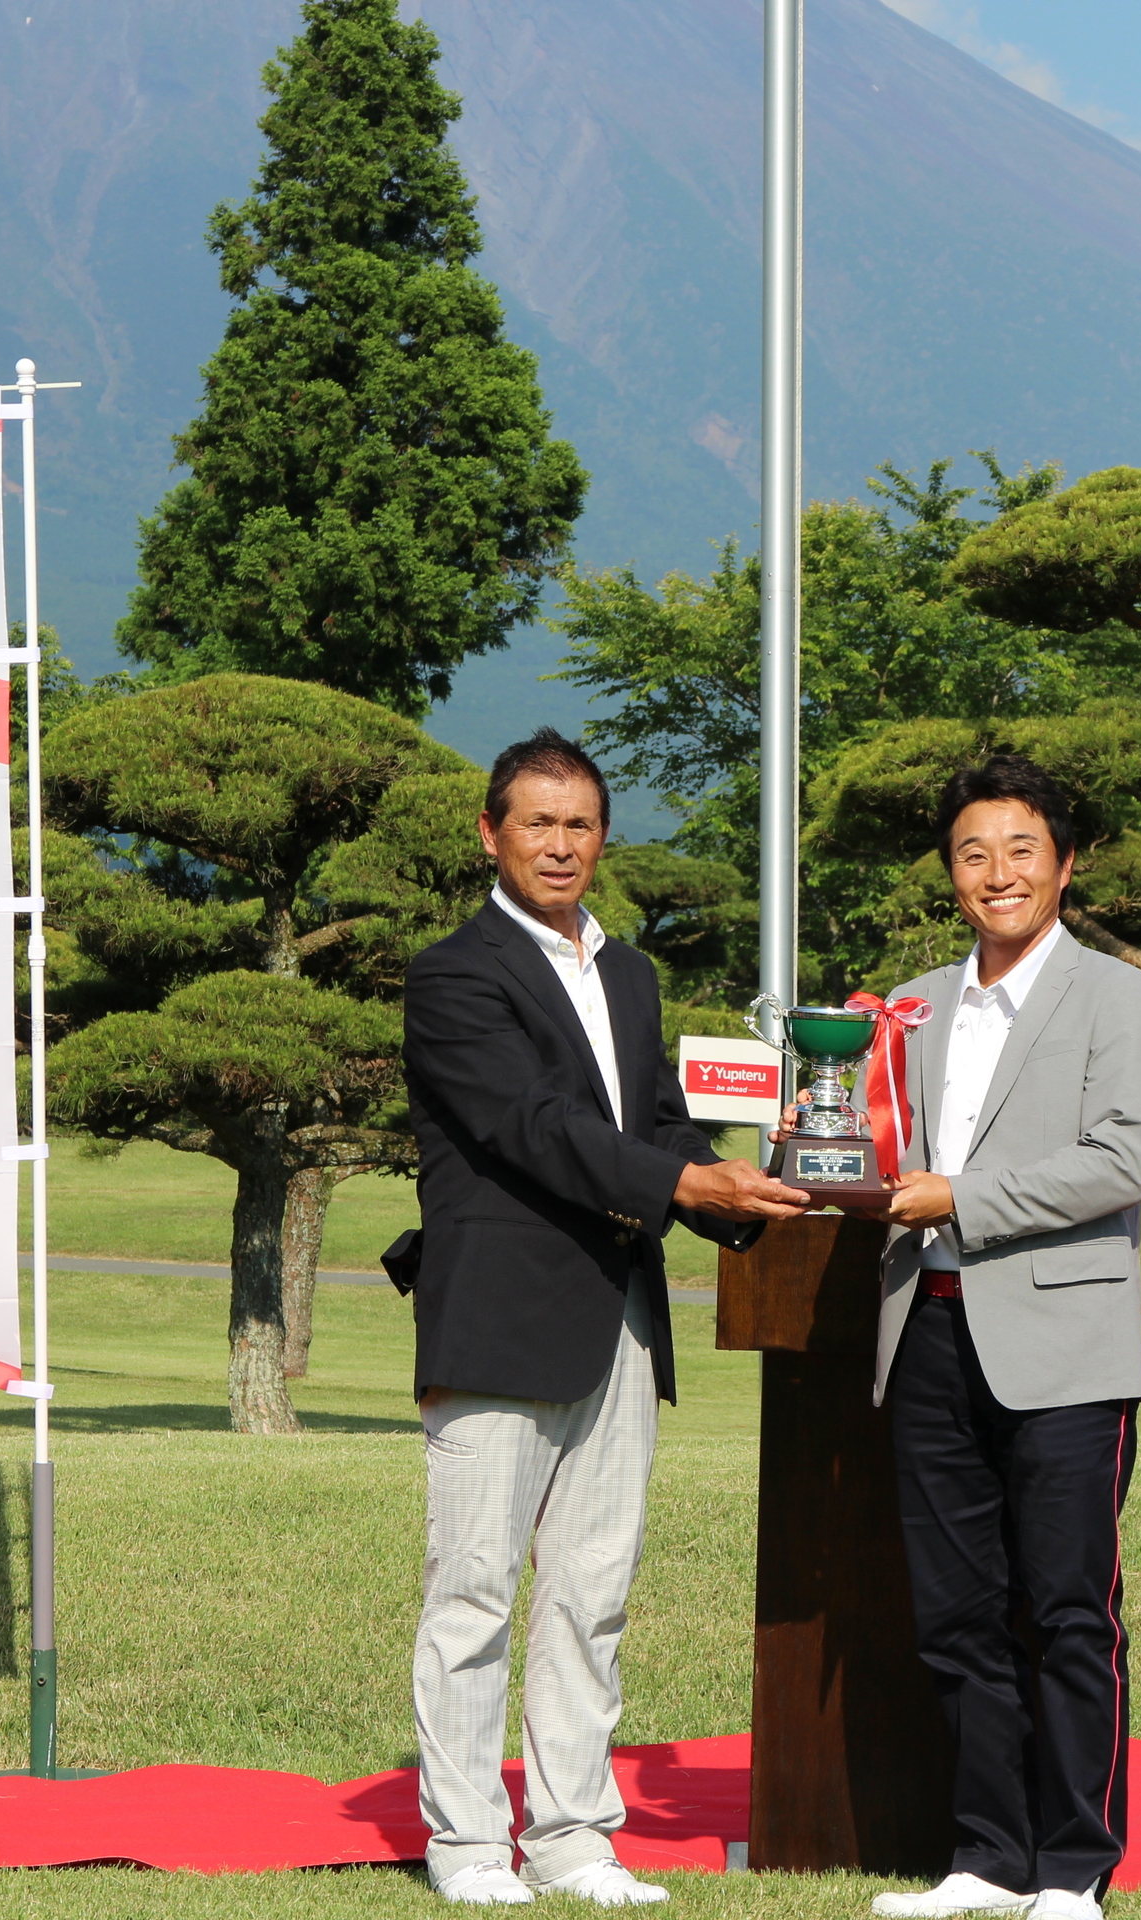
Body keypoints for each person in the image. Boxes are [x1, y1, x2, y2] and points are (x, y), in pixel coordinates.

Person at [404, 728, 809, 1908]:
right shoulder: (453, 973)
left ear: (604, 838)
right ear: (492, 834)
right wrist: (686, 1183)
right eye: (538, 822)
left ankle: (576, 1836)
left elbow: (657, 1127)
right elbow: (531, 1126)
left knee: (595, 1590)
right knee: (474, 1589)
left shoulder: (628, 974)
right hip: (497, 1318)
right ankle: (470, 1842)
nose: (561, 844)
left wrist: (758, 1189)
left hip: (622, 1317)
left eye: (581, 824)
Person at [859, 756, 1141, 1920]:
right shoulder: (911, 1005)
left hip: (1064, 1352)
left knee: (1066, 1614)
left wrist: (961, 1200)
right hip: (927, 1335)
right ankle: (987, 1856)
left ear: (1065, 864)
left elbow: (1118, 1160)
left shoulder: (1116, 997)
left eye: (1021, 850)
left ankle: (1075, 1866)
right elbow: (872, 1151)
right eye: (973, 854)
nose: (998, 873)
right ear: (952, 875)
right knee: (956, 1614)